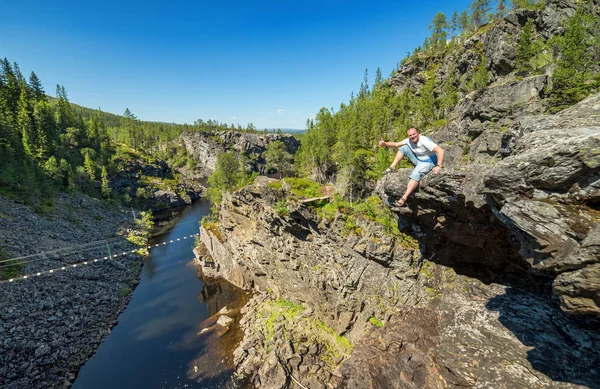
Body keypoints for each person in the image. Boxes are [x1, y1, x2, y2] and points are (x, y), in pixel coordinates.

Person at [378, 127, 445, 206]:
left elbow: (440, 150)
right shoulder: (409, 141)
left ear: (418, 133)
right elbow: (396, 144)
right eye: (410, 135)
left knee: (415, 175)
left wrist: (438, 166)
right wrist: (385, 144)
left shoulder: (424, 141)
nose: (412, 136)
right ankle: (392, 167)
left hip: (428, 162)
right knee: (403, 148)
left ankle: (404, 198)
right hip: (418, 159)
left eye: (414, 134)